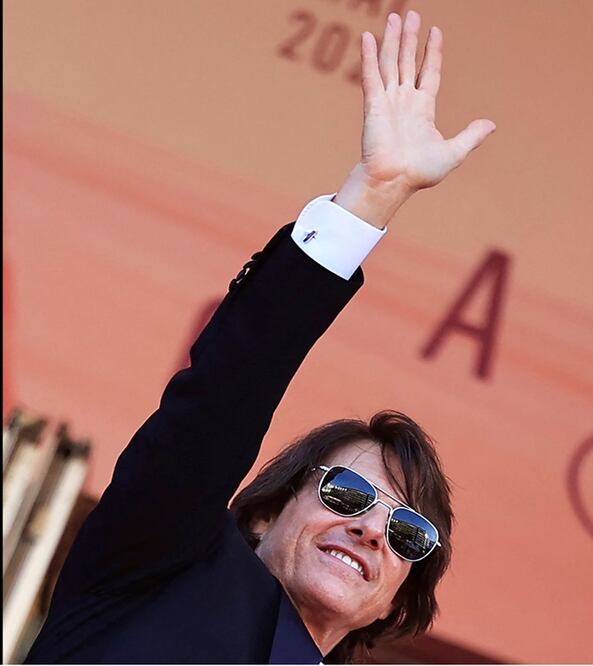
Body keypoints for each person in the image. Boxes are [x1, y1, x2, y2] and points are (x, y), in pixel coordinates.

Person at [24, 9, 496, 664]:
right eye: (348, 494)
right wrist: (371, 199)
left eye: (408, 534)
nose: (369, 530)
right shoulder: (160, 568)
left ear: (396, 600)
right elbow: (223, 399)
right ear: (262, 515)